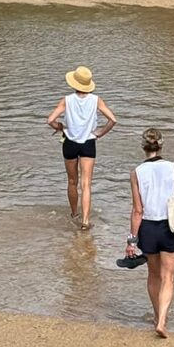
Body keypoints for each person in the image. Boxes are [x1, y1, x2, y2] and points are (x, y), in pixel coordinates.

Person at [123, 128, 174, 338]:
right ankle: (162, 320)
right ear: (161, 145)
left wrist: (131, 241)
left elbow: (137, 210)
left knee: (153, 275)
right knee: (168, 277)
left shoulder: (136, 172)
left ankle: (156, 315)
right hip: (170, 226)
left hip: (148, 227)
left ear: (143, 146)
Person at [47, 66, 116, 230]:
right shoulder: (96, 100)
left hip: (70, 142)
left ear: (74, 83)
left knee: (72, 181)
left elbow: (50, 120)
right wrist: (100, 133)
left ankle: (74, 214)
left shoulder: (67, 100)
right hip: (88, 143)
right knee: (86, 184)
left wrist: (60, 127)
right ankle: (85, 221)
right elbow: (113, 119)